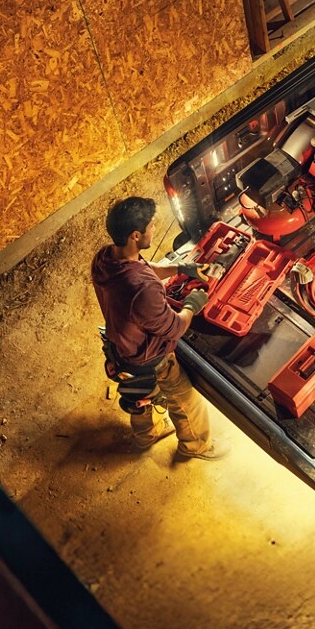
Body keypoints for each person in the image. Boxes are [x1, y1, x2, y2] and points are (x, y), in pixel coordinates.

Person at [91, 196, 228, 460]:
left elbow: (143, 267)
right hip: (150, 358)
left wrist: (181, 268)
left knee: (139, 397)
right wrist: (192, 304)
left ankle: (147, 434)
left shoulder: (106, 257)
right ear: (135, 235)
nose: (154, 229)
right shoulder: (143, 290)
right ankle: (196, 445)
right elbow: (175, 328)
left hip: (121, 350)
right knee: (185, 400)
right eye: (151, 226)